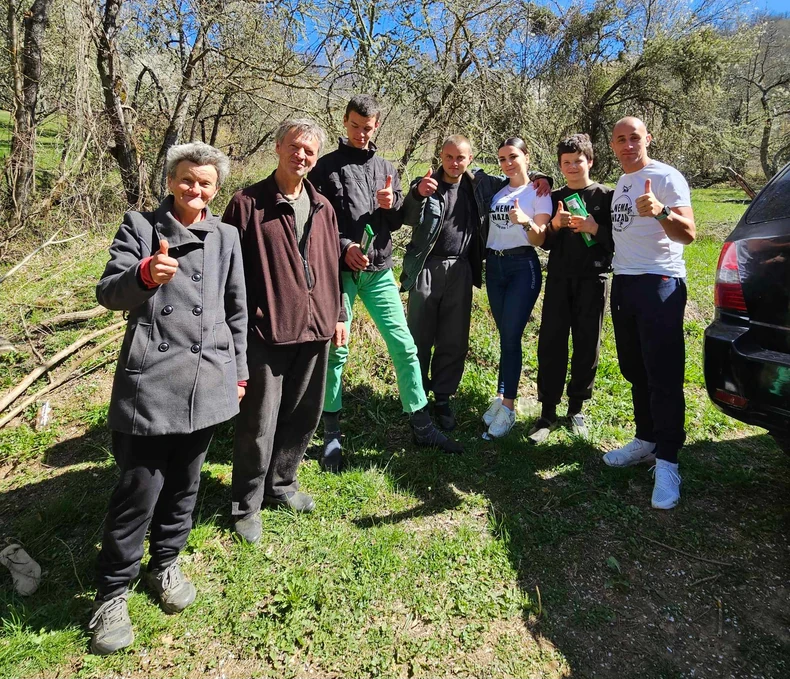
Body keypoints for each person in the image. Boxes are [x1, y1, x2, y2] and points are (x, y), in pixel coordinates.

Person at [91, 142, 247, 655]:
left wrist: (239, 372)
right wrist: (143, 276)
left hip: (209, 378)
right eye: (186, 179)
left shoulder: (226, 235)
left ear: (216, 188)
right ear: (171, 180)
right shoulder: (141, 227)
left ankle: (165, 564)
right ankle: (112, 593)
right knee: (139, 490)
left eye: (204, 183)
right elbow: (109, 292)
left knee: (185, 483)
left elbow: (236, 310)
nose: (194, 189)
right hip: (151, 382)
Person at [310, 94, 461, 472]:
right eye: (356, 126)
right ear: (345, 122)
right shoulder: (324, 170)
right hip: (340, 273)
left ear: (377, 126)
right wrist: (344, 247)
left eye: (369, 127)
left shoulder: (385, 167)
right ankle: (331, 434)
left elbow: (395, 223)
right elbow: (317, 226)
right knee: (337, 352)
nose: (362, 133)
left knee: (405, 347)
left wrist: (392, 202)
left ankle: (421, 424)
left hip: (379, 271)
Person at [223, 119, 348, 543]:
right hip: (267, 330)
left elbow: (331, 265)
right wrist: (238, 324)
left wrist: (339, 314)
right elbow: (229, 271)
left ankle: (282, 484)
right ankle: (246, 504)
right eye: (295, 147)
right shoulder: (247, 204)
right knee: (259, 422)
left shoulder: (323, 206)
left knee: (303, 414)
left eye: (310, 151)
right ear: (278, 147)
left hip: (315, 329)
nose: (302, 156)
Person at [401, 135, 550, 430]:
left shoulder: (480, 185)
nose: (454, 163)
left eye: (461, 158)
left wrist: (541, 177)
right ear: (440, 157)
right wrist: (417, 194)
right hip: (427, 267)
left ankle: (442, 399)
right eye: (449, 157)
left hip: (461, 268)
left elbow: (515, 175)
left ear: (470, 159)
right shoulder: (426, 183)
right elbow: (405, 217)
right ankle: (416, 400)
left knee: (453, 339)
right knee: (419, 336)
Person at [602, 116, 696, 510]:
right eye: (620, 139)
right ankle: (646, 439)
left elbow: (689, 233)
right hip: (624, 284)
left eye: (634, 138)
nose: (628, 145)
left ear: (648, 139)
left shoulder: (666, 177)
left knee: (663, 374)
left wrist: (660, 212)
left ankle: (669, 460)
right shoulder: (620, 183)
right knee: (634, 369)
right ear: (612, 145)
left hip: (660, 284)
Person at [528, 133, 613, 444]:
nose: (573, 167)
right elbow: (545, 243)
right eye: (566, 163)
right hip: (560, 280)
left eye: (578, 161)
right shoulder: (554, 197)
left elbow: (620, 241)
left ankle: (576, 408)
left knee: (587, 345)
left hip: (594, 280)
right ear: (561, 166)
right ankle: (547, 412)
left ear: (589, 161)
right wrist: (556, 224)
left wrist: (595, 228)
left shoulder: (607, 196)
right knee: (551, 343)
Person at [481, 137, 553, 439]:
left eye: (513, 156)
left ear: (526, 156)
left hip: (522, 267)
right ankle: (500, 395)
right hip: (494, 268)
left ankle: (508, 408)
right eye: (502, 158)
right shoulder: (498, 191)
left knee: (511, 335)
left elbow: (540, 239)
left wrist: (525, 222)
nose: (508, 163)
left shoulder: (538, 192)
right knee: (504, 335)